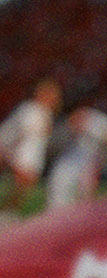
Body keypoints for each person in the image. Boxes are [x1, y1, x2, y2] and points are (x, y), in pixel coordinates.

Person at [45, 104, 107, 209]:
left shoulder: (101, 122)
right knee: (58, 203)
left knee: (84, 203)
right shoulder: (83, 119)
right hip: (68, 167)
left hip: (86, 168)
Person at [0, 79, 61, 211]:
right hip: (19, 150)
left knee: (26, 185)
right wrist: (8, 151)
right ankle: (7, 211)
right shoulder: (30, 109)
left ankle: (8, 211)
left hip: (31, 154)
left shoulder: (46, 113)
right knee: (23, 181)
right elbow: (19, 132)